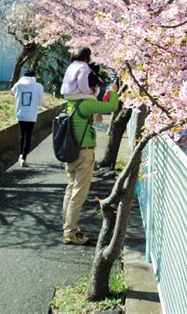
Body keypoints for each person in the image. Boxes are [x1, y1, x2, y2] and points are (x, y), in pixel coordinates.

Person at [61, 71, 119, 245]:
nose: (96, 92)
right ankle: (70, 233)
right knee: (79, 194)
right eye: (95, 88)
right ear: (90, 88)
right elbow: (111, 107)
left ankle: (68, 227)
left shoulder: (71, 102)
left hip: (70, 152)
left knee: (70, 191)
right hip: (84, 153)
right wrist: (114, 91)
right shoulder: (86, 104)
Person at [11, 67, 44, 167]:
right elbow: (41, 101)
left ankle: (21, 154)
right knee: (28, 135)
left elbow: (12, 92)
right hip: (31, 114)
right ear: (34, 76)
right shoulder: (38, 86)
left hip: (20, 113)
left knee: (22, 134)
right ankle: (24, 157)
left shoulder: (18, 85)